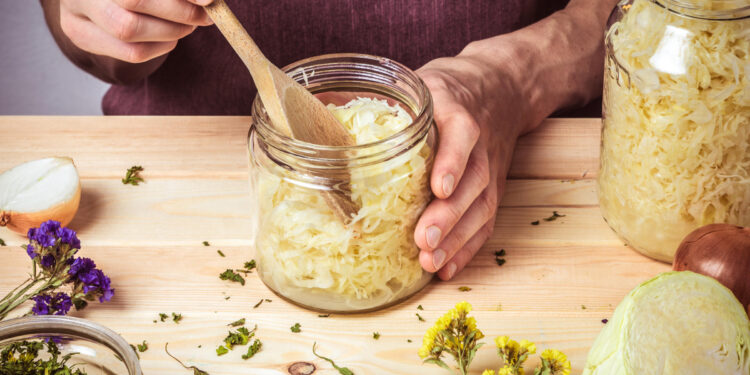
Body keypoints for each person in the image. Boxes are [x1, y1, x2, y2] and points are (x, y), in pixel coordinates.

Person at [42, 0, 618, 281]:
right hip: (167, 184)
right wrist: (105, 15)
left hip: (555, 183)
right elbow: (75, 25)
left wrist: (517, 75)